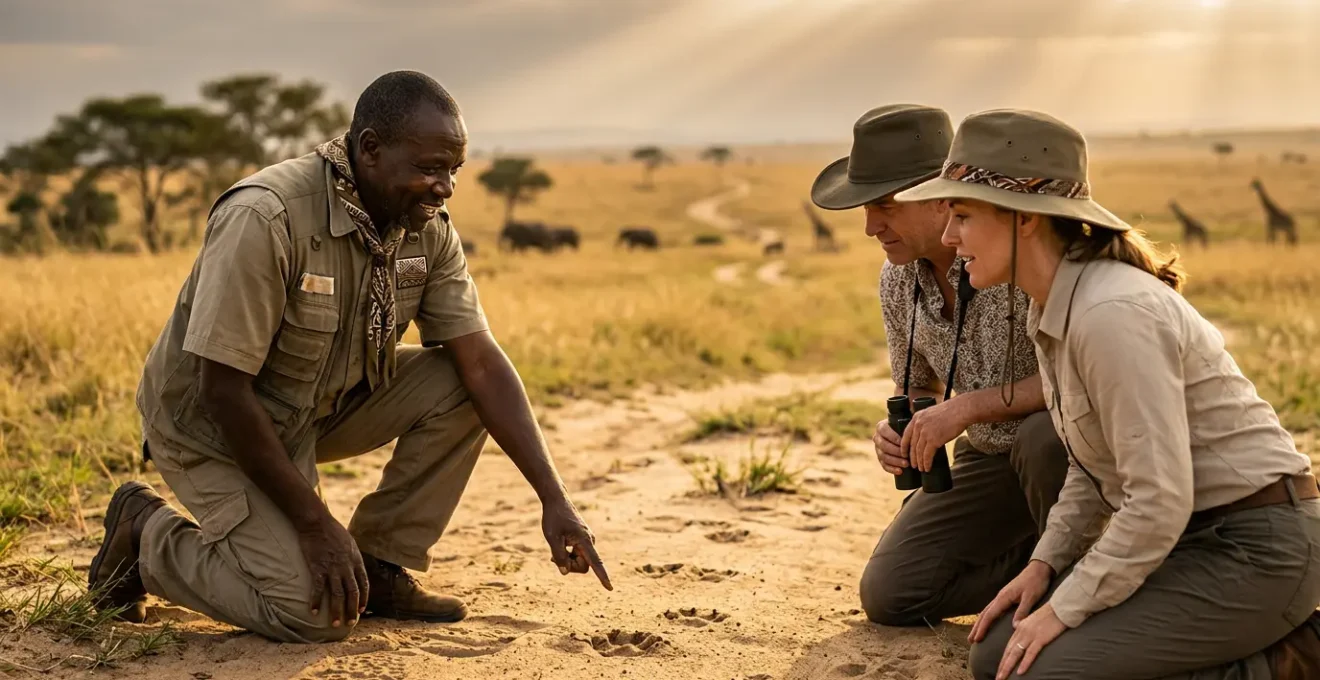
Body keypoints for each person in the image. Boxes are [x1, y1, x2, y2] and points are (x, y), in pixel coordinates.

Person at [89, 70, 611, 644]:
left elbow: (482, 363)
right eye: (428, 168)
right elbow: (223, 391)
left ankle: (381, 566)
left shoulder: (425, 227)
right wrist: (316, 525)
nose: (444, 187)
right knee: (312, 614)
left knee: (461, 382)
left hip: (313, 409)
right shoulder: (266, 217)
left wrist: (554, 500)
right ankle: (144, 541)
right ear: (369, 149)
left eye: (452, 171)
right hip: (211, 426)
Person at [895, 108, 1320, 679]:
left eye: (963, 215)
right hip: (1187, 538)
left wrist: (1067, 608)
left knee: (1038, 672)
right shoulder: (1055, 307)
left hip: (1255, 545)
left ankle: (1294, 656)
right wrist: (1044, 565)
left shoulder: (1109, 312)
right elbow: (1095, 470)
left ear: (1024, 218)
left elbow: (1157, 499)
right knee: (997, 654)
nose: (949, 237)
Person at [810, 104, 1069, 626]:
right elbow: (917, 388)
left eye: (884, 205)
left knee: (1041, 438)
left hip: (1063, 453)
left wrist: (966, 410)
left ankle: (1075, 576)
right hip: (989, 462)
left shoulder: (1023, 259)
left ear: (938, 196)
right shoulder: (896, 281)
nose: (869, 227)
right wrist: (905, 429)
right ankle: (1044, 573)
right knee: (890, 593)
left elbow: (1078, 382)